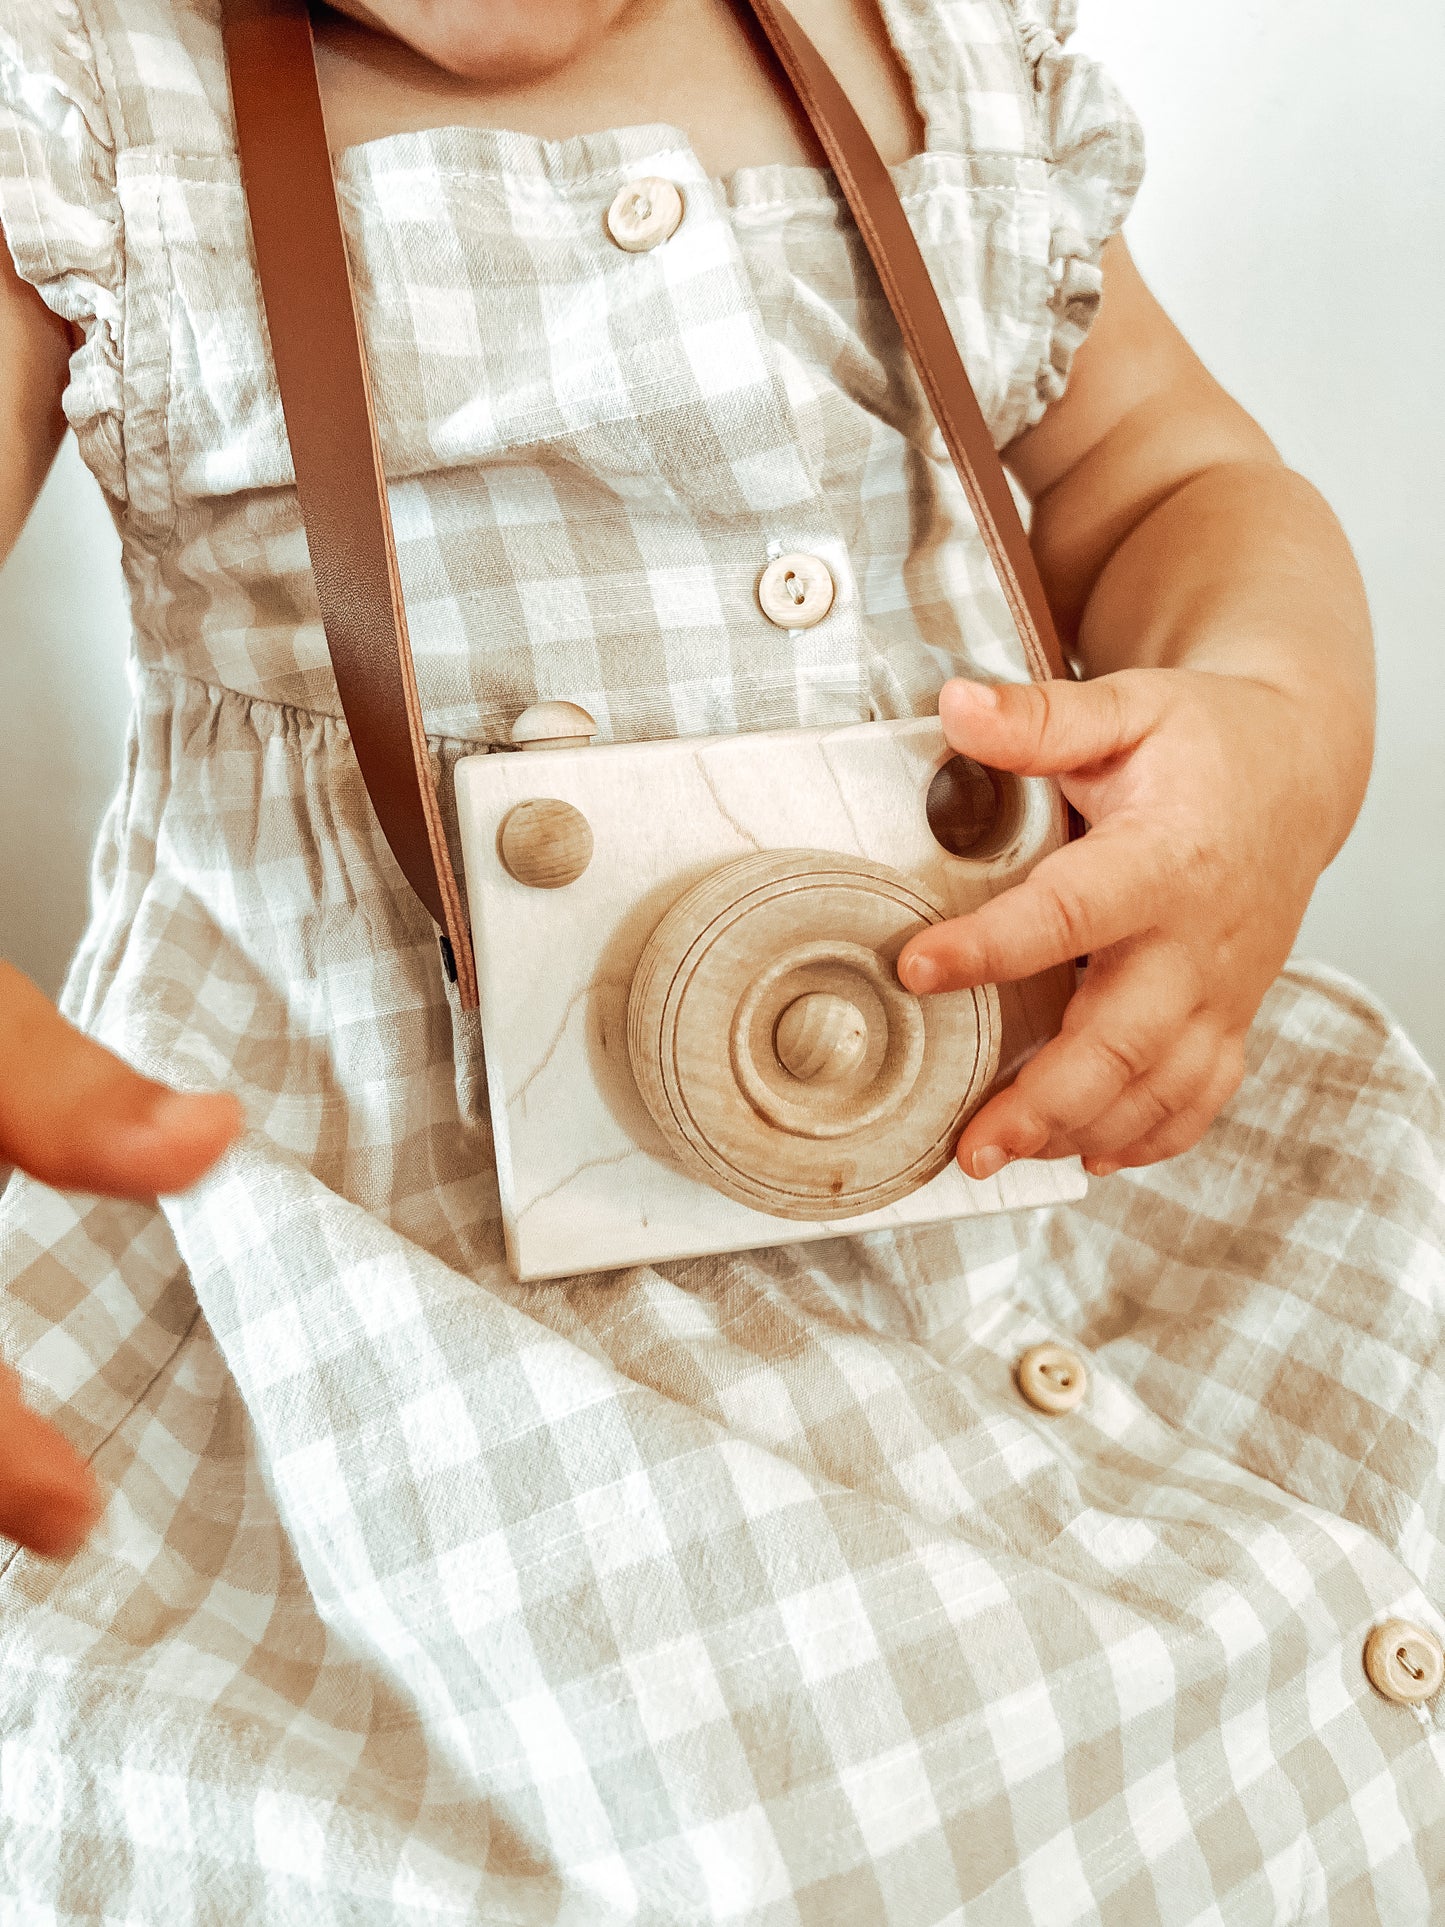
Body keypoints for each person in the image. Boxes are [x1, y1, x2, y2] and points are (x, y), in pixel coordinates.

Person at [0, 0, 1440, 1917]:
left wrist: (1268, 724)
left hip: (1010, 1166)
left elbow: (1167, 479)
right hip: (426, 1309)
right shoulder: (88, 106)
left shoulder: (926, 62)